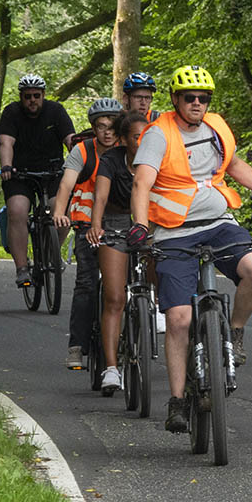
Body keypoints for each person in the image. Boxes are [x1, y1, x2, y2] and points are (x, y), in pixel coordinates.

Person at [129, 65, 252, 435]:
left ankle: (236, 331)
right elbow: (141, 184)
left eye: (203, 98)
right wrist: (140, 225)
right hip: (174, 232)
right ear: (175, 99)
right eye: (190, 98)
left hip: (218, 224)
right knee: (179, 319)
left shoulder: (214, 127)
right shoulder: (157, 135)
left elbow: (236, 166)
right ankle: (178, 400)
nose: (197, 104)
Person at [51, 98, 123, 370]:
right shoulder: (83, 150)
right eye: (101, 126)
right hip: (85, 225)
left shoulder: (129, 151)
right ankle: (77, 346)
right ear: (93, 128)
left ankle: (131, 336)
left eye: (112, 126)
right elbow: (66, 185)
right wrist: (60, 211)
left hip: (119, 225)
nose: (107, 132)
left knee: (126, 286)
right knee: (87, 283)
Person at [86, 111, 150, 394]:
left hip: (149, 222)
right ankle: (111, 368)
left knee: (165, 266)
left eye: (147, 136)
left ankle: (156, 310)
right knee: (114, 297)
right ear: (124, 140)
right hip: (114, 223)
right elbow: (100, 196)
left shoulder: (157, 158)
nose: (144, 141)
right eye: (137, 137)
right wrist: (96, 226)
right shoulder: (112, 160)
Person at [0, 74, 75, 287]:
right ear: (21, 97)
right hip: (19, 173)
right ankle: (22, 268)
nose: (32, 100)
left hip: (52, 171)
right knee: (17, 210)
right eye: (28, 96)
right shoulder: (11, 113)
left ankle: (52, 251)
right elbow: (6, 143)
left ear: (43, 96)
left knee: (62, 209)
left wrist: (80, 160)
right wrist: (6, 166)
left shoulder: (56, 111)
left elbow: (70, 139)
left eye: (36, 96)